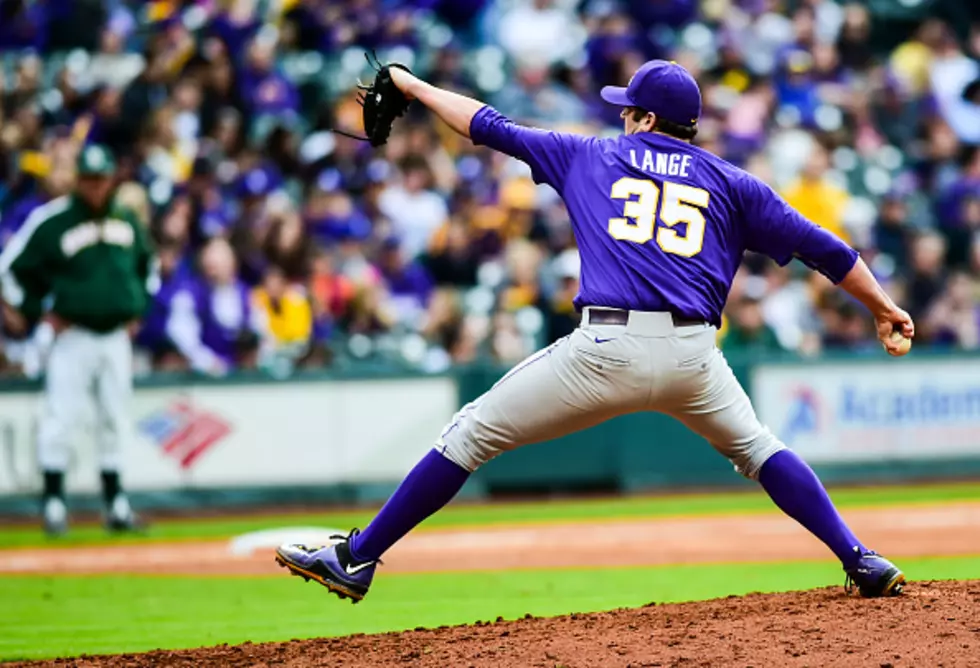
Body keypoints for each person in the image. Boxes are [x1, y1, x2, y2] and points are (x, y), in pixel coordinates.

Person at [276, 60, 914, 602]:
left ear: (643, 119)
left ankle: (357, 557)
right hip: (695, 356)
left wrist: (412, 86)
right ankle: (860, 558)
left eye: (627, 109)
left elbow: (485, 124)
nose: (620, 118)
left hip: (607, 349)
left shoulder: (591, 154)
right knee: (758, 449)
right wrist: (883, 307)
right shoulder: (732, 183)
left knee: (469, 434)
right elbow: (829, 251)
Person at [0, 144, 156, 536]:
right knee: (60, 417)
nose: (96, 188)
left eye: (101, 180)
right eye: (88, 180)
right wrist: (38, 311)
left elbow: (147, 267)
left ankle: (116, 504)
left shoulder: (126, 219)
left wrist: (139, 307)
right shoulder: (53, 221)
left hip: (116, 336)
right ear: (78, 180)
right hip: (72, 335)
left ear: (111, 180)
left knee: (115, 418)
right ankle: (54, 504)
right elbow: (10, 271)